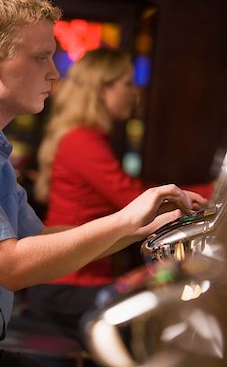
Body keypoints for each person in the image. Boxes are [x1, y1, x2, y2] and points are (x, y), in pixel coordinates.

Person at [0, 0, 208, 367]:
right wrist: (123, 218)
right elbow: (10, 266)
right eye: (40, 57)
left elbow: (39, 243)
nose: (55, 72)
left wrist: (144, 226)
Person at [28, 48, 213, 346]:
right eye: (127, 84)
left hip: (71, 278)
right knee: (169, 323)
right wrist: (214, 191)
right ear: (103, 89)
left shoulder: (85, 136)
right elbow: (131, 196)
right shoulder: (81, 140)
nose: (135, 92)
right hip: (66, 284)